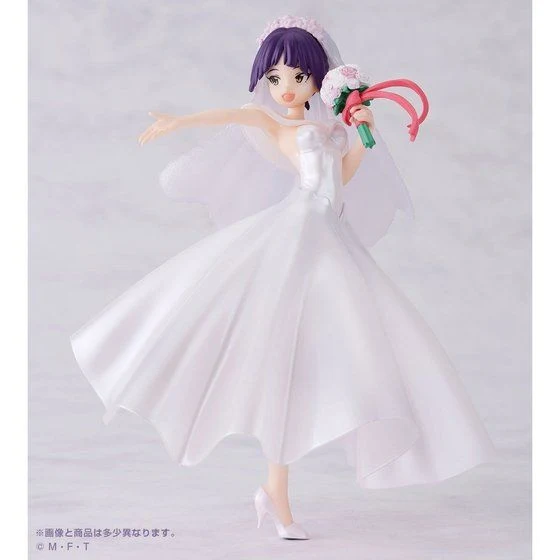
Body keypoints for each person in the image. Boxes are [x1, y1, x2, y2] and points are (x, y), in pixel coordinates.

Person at [70, 15, 499, 541]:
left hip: (328, 238)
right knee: (279, 351)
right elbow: (233, 115)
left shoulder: (332, 131)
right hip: (297, 236)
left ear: (319, 78)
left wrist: (363, 132)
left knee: (326, 354)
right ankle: (274, 492)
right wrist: (179, 122)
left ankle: (275, 491)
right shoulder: (275, 124)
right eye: (275, 78)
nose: (286, 88)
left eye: (298, 76)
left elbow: (342, 177)